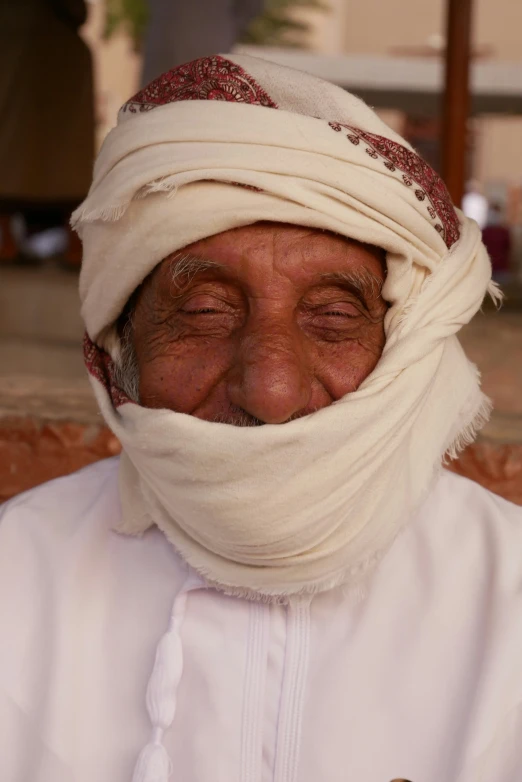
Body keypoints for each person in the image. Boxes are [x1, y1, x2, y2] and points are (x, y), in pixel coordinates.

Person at [0, 54, 521, 782]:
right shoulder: (16, 577)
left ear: (404, 347)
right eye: (205, 313)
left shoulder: (509, 596)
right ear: (116, 348)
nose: (271, 391)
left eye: (334, 318)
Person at [0, 0, 94, 266]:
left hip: (12, 46)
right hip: (56, 51)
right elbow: (77, 11)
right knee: (66, 151)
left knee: (9, 143)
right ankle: (73, 246)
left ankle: (5, 241)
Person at [482, 203, 512, 283]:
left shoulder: (504, 232)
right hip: (487, 269)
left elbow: (508, 249)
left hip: (501, 269)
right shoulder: (484, 232)